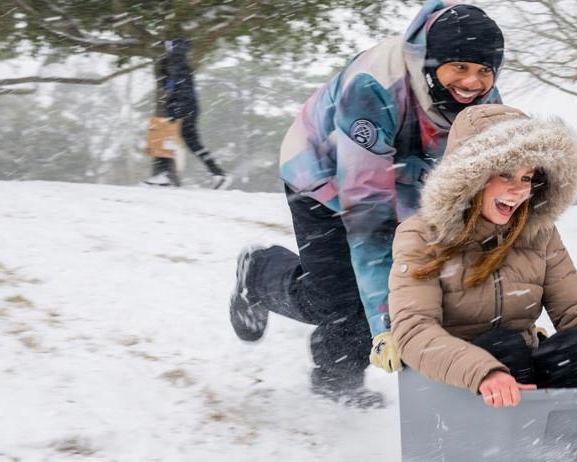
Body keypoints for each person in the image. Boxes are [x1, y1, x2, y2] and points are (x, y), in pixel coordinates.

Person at [228, 1, 505, 408]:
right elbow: (369, 218)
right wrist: (384, 327)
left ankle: (337, 373)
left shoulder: (485, 104)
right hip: (323, 173)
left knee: (427, 279)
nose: (472, 82)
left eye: (484, 71)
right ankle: (264, 279)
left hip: (407, 178)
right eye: (459, 68)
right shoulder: (373, 87)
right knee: (340, 296)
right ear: (431, 62)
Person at [388, 104, 577, 407]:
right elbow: (414, 329)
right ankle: (503, 447)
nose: (518, 191)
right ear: (470, 176)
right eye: (505, 174)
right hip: (455, 381)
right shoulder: (422, 235)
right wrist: (483, 371)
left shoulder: (538, 234)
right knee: (502, 347)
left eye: (527, 178)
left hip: (521, 380)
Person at [143, 38, 230, 189]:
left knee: (162, 133)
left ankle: (163, 175)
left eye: (168, 47)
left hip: (184, 106)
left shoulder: (179, 62)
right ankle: (217, 173)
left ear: (174, 48)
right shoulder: (175, 63)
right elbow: (171, 85)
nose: (167, 50)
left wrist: (178, 107)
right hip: (186, 106)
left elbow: (183, 88)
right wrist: (164, 72)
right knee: (190, 141)